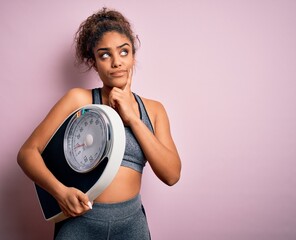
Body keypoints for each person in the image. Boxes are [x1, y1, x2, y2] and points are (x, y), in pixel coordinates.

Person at [17, 7, 181, 240]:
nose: (116, 62)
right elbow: (27, 153)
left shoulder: (154, 110)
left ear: (133, 56)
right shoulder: (78, 100)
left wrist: (132, 117)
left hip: (131, 225)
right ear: (94, 63)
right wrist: (60, 192)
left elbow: (171, 175)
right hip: (80, 222)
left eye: (124, 52)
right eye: (104, 55)